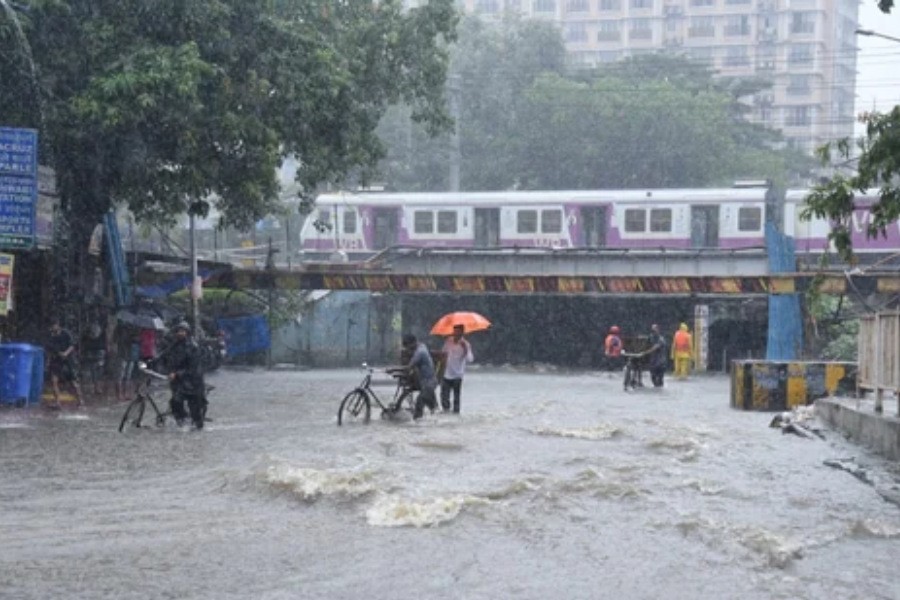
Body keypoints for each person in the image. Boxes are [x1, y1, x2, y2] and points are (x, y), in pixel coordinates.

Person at [162, 321, 206, 429]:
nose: (180, 333)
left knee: (194, 408)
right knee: (175, 402)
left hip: (193, 382)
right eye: (178, 331)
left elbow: (193, 368)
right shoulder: (174, 345)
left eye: (182, 331)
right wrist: (148, 363)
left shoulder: (192, 346)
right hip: (179, 381)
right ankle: (181, 424)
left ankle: (197, 427)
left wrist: (177, 374)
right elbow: (163, 356)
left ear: (187, 332)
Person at [391, 333, 438, 420]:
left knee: (419, 402)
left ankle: (416, 425)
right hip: (424, 382)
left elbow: (409, 367)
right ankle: (434, 420)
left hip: (429, 384)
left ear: (413, 343)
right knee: (433, 408)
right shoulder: (422, 346)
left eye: (408, 347)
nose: (408, 350)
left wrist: (393, 369)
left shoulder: (420, 353)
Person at [47, 320, 84, 408]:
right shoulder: (51, 336)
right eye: (51, 327)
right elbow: (50, 349)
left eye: (53, 326)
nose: (52, 328)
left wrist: (66, 353)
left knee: (73, 381)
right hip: (56, 359)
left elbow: (72, 345)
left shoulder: (66, 333)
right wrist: (50, 360)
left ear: (58, 325)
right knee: (54, 380)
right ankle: (57, 402)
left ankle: (80, 400)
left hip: (69, 359)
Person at [440, 324, 474, 414]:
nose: (456, 333)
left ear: (462, 333)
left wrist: (465, 349)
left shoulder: (466, 344)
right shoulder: (449, 341)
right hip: (447, 373)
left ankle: (456, 413)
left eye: (458, 331)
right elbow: (443, 353)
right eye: (455, 331)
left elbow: (470, 359)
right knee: (444, 395)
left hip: (458, 374)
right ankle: (446, 412)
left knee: (456, 397)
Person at [81, 319, 107, 397]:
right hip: (93, 351)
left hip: (97, 351)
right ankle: (95, 387)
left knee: (97, 370)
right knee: (95, 370)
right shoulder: (88, 332)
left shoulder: (101, 332)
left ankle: (96, 387)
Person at [115, 324, 139, 402]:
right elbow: (116, 339)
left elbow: (137, 340)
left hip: (130, 355)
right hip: (123, 354)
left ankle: (126, 393)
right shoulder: (120, 328)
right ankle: (119, 395)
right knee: (120, 375)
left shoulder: (134, 328)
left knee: (128, 375)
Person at [643, 323, 668, 388]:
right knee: (653, 377)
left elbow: (656, 347)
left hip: (660, 361)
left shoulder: (661, 339)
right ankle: (657, 387)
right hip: (653, 361)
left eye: (654, 330)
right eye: (652, 330)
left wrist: (646, 352)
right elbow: (646, 345)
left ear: (658, 330)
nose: (653, 332)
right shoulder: (651, 337)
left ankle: (659, 387)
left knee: (660, 378)